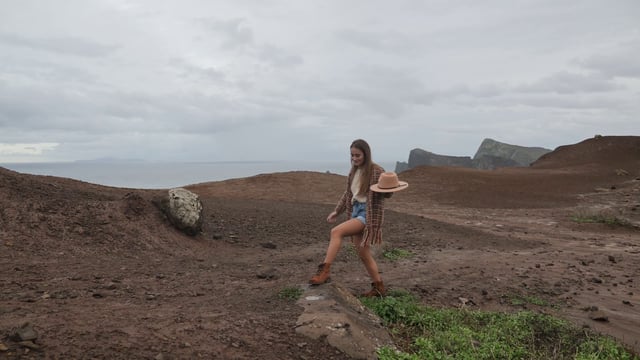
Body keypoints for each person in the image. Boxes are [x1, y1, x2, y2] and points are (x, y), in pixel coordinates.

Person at [309, 139, 408, 297]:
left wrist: (389, 188)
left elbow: (386, 194)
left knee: (336, 232)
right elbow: (348, 194)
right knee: (363, 254)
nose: (354, 159)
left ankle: (324, 271)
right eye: (352, 155)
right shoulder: (353, 171)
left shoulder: (376, 170)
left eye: (358, 155)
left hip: (367, 213)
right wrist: (337, 211)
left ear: (366, 154)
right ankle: (379, 288)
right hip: (355, 211)